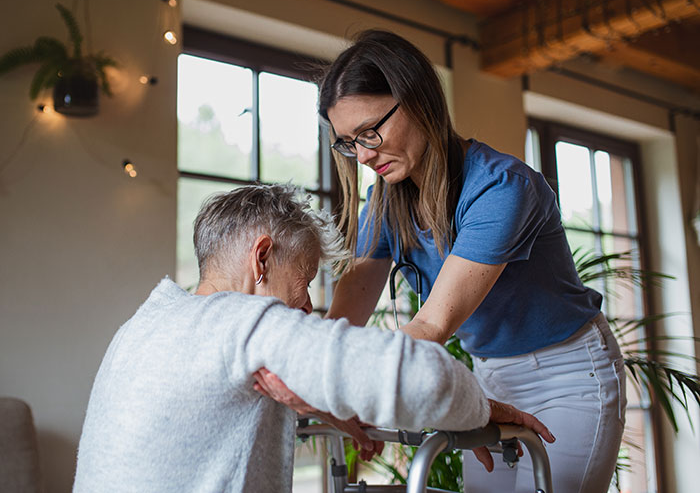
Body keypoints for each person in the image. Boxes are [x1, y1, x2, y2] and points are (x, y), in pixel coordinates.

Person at [261, 30, 625, 493]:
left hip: (567, 374)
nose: (365, 154)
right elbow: (343, 325)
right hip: (488, 376)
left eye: (371, 130)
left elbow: (432, 327)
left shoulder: (500, 188)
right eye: (350, 142)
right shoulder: (383, 205)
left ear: (419, 101)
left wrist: (349, 390)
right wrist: (306, 387)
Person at [73, 184, 553, 493]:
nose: (306, 309)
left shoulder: (147, 324)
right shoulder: (243, 320)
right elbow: (426, 380)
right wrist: (482, 409)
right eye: (303, 284)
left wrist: (322, 400)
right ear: (262, 259)